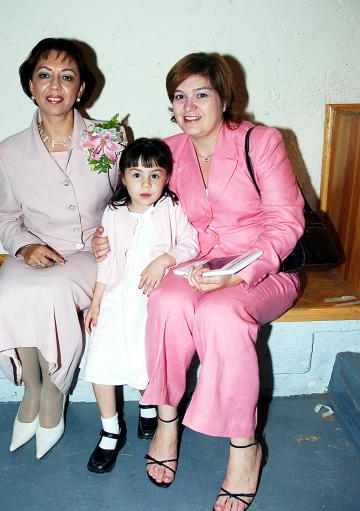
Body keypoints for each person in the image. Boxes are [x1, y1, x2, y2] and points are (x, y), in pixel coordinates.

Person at [93, 52, 304, 510]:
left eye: (201, 94)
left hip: (264, 268)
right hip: (195, 266)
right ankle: (168, 421)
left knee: (223, 317)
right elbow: (137, 202)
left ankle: (245, 448)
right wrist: (103, 236)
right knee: (165, 302)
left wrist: (238, 274)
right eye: (179, 96)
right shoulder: (170, 149)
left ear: (224, 97)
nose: (188, 106)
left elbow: (287, 223)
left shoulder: (261, 141)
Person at [0, 38, 121, 460]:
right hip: (34, 252)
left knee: (50, 293)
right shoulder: (8, 151)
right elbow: (6, 218)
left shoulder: (110, 139)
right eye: (44, 75)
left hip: (89, 255)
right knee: (13, 292)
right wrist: (25, 247)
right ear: (30, 84)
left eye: (68, 76)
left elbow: (128, 202)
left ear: (82, 88)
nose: (55, 85)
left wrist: (112, 235)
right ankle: (31, 389)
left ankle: (53, 394)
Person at [82, 138, 198, 474]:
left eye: (154, 175)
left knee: (149, 359)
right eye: (136, 175)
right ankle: (110, 429)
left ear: (166, 178)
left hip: (153, 299)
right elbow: (107, 260)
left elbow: (190, 241)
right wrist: (96, 301)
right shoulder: (114, 213)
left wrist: (165, 259)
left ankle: (149, 408)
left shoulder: (172, 208)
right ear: (122, 178)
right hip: (118, 297)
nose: (145, 184)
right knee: (102, 357)